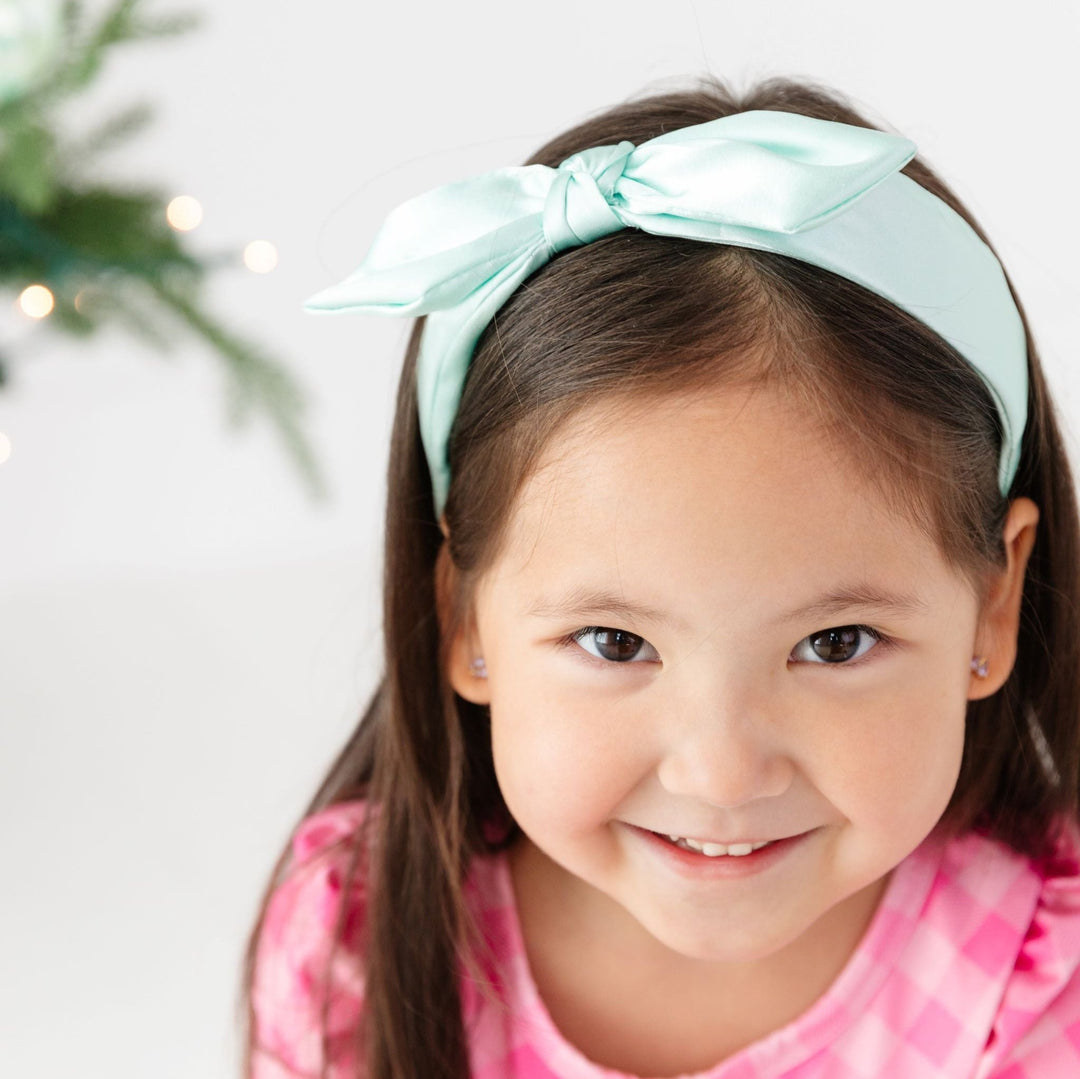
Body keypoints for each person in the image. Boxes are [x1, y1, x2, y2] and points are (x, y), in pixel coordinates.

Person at [240, 77, 1080, 1079]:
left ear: (993, 605)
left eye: (836, 641)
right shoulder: (358, 945)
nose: (721, 773)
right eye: (616, 641)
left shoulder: (1042, 974)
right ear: (464, 613)